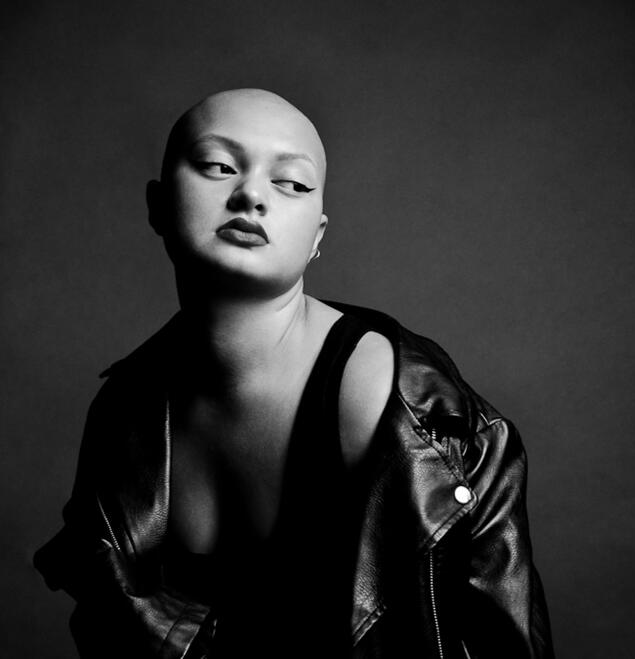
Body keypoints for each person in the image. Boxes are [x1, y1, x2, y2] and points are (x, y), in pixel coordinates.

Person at [34, 88, 554, 658]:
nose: (251, 195)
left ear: (317, 238)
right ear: (158, 206)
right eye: (219, 166)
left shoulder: (396, 406)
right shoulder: (124, 410)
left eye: (292, 183)